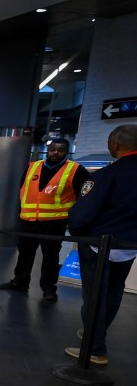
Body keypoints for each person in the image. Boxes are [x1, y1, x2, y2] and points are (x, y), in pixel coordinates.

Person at [64, 124, 137, 365]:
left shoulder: (108, 174)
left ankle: (95, 349)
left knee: (94, 295)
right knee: (114, 291)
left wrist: (79, 234)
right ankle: (95, 333)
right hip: (129, 246)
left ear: (115, 144)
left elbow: (81, 215)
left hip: (99, 244)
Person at [0, 139, 89, 301]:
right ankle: (20, 282)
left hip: (54, 222)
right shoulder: (33, 166)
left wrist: (74, 220)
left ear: (67, 151)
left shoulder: (76, 170)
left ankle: (48, 288)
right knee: (24, 253)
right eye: (52, 149)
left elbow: (82, 197)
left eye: (60, 150)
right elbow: (23, 188)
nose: (55, 153)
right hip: (28, 220)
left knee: (50, 256)